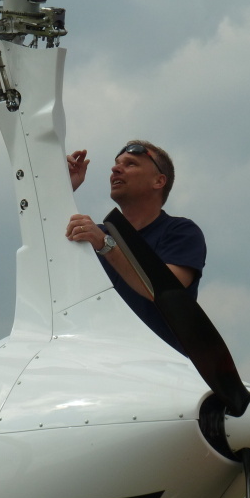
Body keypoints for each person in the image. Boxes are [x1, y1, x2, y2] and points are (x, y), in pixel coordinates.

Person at [65, 141, 206, 354]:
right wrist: (63, 190)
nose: (115, 169)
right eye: (116, 163)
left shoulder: (181, 232)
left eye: (130, 164)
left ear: (159, 181)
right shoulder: (95, 236)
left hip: (160, 367)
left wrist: (105, 245)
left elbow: (166, 292)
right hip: (97, 362)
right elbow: (46, 252)